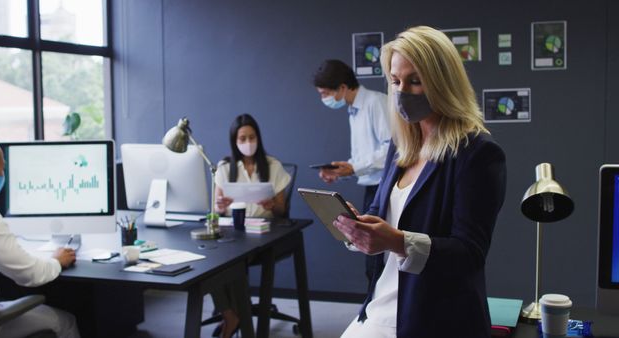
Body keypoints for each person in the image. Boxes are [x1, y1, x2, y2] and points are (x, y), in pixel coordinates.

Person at [333, 26, 507, 338]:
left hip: (435, 316)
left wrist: (396, 241)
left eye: (415, 81)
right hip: (381, 304)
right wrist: (357, 225)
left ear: (443, 83)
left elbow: (469, 254)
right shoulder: (399, 147)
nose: (401, 91)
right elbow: (379, 211)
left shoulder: (478, 154)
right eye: (395, 81)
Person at [0, 138, 80, 338]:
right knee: (65, 322)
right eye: (2, 170)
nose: (3, 175)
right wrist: (56, 261)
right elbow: (29, 274)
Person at [212, 113, 291, 338]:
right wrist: (220, 205)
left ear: (258, 137)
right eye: (243, 138)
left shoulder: (272, 165)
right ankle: (230, 313)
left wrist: (272, 203)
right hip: (232, 230)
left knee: (232, 259)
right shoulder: (225, 167)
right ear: (235, 142)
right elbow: (216, 210)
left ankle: (235, 315)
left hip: (262, 233)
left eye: (252, 137)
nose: (248, 143)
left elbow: (281, 210)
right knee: (212, 260)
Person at [312, 59, 391, 284]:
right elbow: (366, 158)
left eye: (325, 93)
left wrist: (354, 167)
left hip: (384, 189)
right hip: (371, 188)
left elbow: (391, 151)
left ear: (343, 87)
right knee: (370, 256)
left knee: (376, 259)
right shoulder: (354, 110)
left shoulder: (376, 103)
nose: (323, 98)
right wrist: (341, 171)